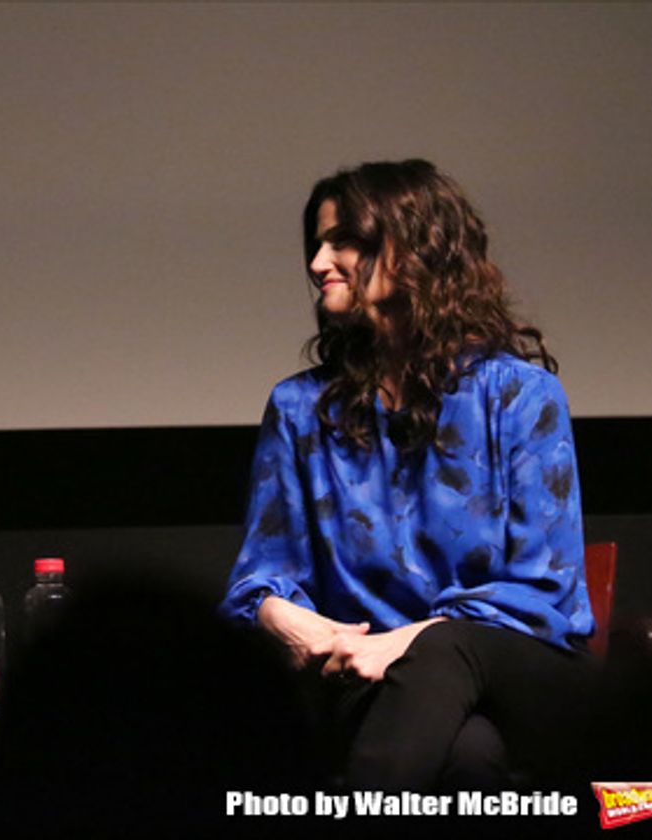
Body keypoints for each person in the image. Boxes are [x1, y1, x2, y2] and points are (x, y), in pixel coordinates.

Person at [219, 160, 597, 792]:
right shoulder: (299, 410)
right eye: (316, 244)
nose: (317, 263)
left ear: (412, 249)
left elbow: (545, 593)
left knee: (445, 653)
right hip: (365, 679)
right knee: (470, 758)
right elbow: (263, 571)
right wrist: (281, 616)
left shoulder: (520, 397)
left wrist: (411, 643)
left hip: (516, 672)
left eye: (343, 242)